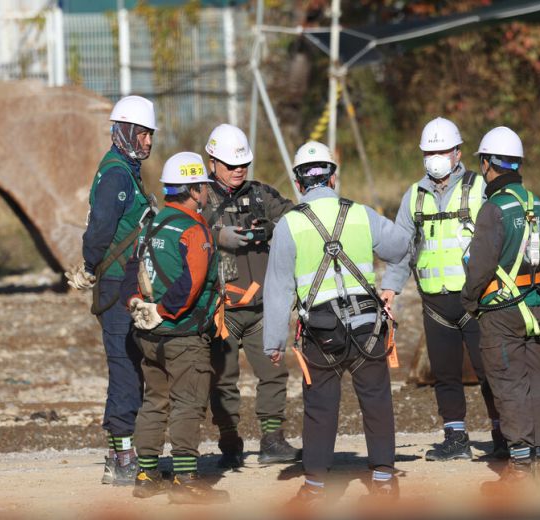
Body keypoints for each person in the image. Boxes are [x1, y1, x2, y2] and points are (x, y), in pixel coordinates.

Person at [263, 141, 410, 505]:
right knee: (376, 399)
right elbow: (403, 247)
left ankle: (314, 487)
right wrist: (391, 286)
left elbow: (278, 288)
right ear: (333, 177)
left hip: (321, 331)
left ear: (299, 182)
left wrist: (273, 342)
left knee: (320, 407)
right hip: (367, 325)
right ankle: (383, 479)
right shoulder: (361, 214)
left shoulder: (289, 225)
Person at [381, 117, 503, 462]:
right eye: (428, 152)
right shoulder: (414, 196)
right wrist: (391, 288)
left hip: (478, 302)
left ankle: (503, 434)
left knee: (490, 371)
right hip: (435, 305)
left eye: (441, 151)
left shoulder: (480, 188)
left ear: (457, 153)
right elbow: (401, 248)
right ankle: (455, 438)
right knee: (445, 375)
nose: (434, 157)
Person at [122, 151, 229, 504]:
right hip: (182, 334)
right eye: (204, 187)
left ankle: (146, 474)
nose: (207, 193)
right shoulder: (194, 230)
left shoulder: (151, 223)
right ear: (194, 189)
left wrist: (139, 305)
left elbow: (131, 272)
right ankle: (185, 480)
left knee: (154, 401)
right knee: (188, 403)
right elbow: (193, 282)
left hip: (148, 335)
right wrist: (166, 311)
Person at [461, 126, 540, 491]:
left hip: (500, 314)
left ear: (487, 164)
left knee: (508, 385)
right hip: (535, 307)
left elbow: (480, 267)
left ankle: (519, 470)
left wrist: (470, 301)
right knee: (537, 383)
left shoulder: (493, 209)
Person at [65, 95, 156, 485]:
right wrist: (88, 266)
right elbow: (100, 228)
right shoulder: (117, 173)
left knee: (133, 365)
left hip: (129, 283)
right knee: (123, 367)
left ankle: (123, 451)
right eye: (142, 133)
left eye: (151, 134)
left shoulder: (128, 171)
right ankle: (122, 457)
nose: (148, 141)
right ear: (122, 131)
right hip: (118, 284)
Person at [202, 124, 299, 468]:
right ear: (212, 161)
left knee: (273, 374)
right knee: (224, 380)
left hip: (261, 308)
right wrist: (216, 236)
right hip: (221, 309)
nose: (239, 170)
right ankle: (229, 443)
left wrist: (271, 227)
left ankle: (272, 440)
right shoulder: (198, 195)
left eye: (243, 164)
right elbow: (179, 229)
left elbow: (295, 216)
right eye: (231, 164)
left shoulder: (260, 194)